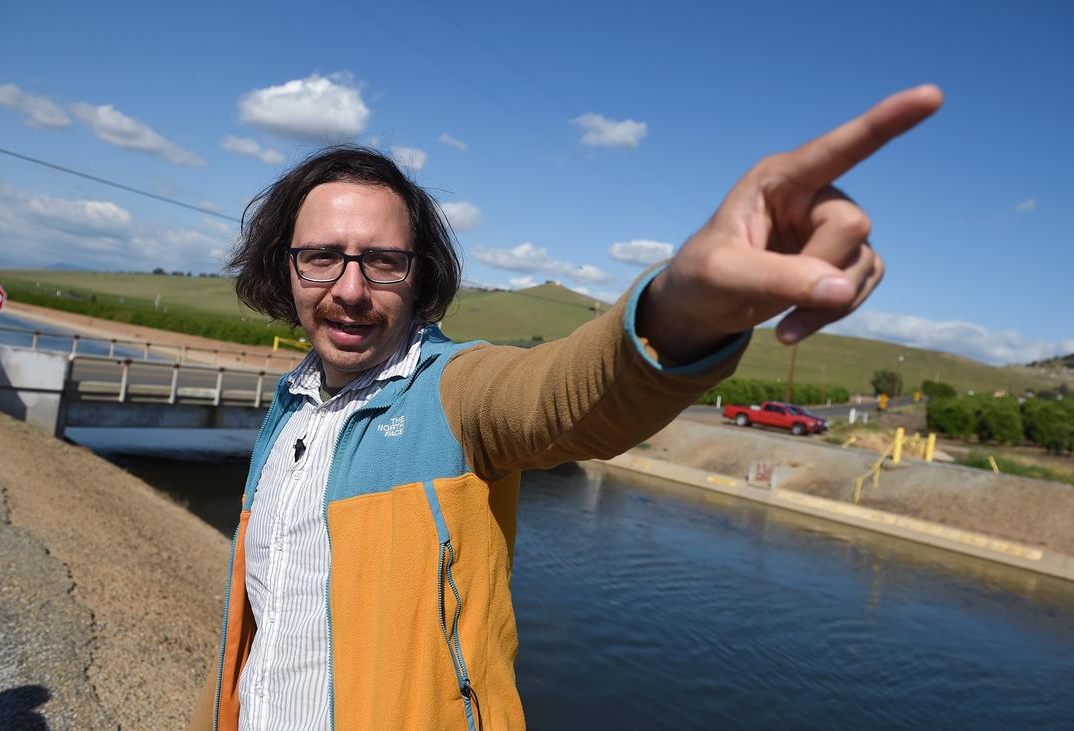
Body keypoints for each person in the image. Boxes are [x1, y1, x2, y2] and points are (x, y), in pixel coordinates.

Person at [190, 85, 943, 730]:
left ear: (420, 280)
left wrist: (687, 307)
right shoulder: (288, 410)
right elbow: (262, 630)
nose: (350, 287)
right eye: (322, 256)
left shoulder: (456, 394)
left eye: (383, 261)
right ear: (283, 269)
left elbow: (567, 394)